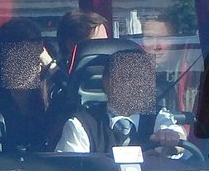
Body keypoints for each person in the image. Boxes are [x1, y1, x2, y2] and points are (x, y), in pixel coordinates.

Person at [54, 47, 185, 154]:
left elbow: (174, 133)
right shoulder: (82, 124)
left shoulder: (159, 116)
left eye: (144, 79)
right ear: (106, 82)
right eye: (128, 77)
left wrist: (174, 140)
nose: (138, 85)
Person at [0, 29, 51, 155]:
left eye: (27, 61)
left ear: (40, 65)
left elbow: (75, 100)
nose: (20, 68)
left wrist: (51, 64)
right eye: (12, 61)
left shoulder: (53, 103)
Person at [56, 10, 110, 75]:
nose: (105, 48)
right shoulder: (55, 79)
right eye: (97, 44)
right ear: (71, 45)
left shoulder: (115, 73)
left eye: (106, 42)